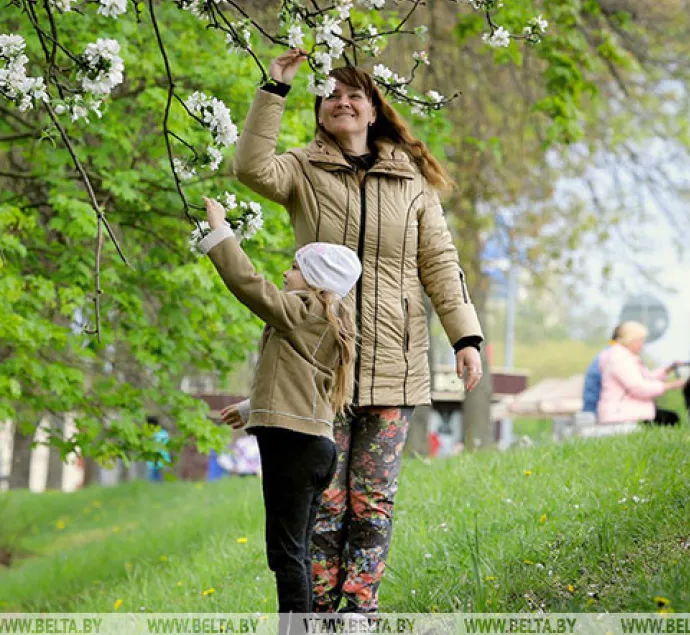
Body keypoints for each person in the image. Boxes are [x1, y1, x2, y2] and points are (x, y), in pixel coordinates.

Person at [233, 49, 486, 614]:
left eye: (354, 95)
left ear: (373, 109)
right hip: (323, 367)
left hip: (396, 364)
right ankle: (319, 614)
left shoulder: (411, 180)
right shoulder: (301, 168)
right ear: (320, 110)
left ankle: (359, 614)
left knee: (372, 501)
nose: (342, 102)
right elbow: (250, 169)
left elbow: (440, 262)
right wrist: (275, 87)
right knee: (324, 500)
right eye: (331, 95)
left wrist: (465, 338)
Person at [196, 195, 361, 621]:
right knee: (297, 551)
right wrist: (254, 408)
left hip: (293, 448)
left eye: (293, 267)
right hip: (314, 445)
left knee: (285, 553)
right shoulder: (331, 321)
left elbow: (249, 285)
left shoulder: (302, 311)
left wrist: (220, 231)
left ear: (313, 279)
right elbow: (303, 382)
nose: (284, 274)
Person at [597, 321, 684, 426]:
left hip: (625, 411)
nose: (642, 345)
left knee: (670, 417)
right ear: (630, 340)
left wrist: (667, 370)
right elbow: (638, 388)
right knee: (671, 419)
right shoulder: (619, 359)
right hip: (622, 415)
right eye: (640, 340)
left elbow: (646, 377)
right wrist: (670, 386)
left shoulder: (624, 357)